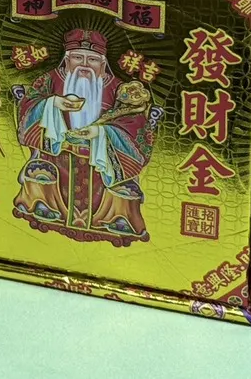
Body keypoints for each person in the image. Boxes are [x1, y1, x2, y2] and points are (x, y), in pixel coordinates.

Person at [12, 29, 155, 244]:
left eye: (93, 60)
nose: (85, 65)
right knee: (41, 172)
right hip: (56, 156)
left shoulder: (118, 88)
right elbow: (29, 104)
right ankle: (44, 207)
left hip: (103, 163)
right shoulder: (51, 80)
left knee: (122, 187)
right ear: (67, 60)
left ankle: (112, 219)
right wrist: (53, 104)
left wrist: (101, 133)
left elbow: (137, 124)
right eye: (78, 58)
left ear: (103, 64)